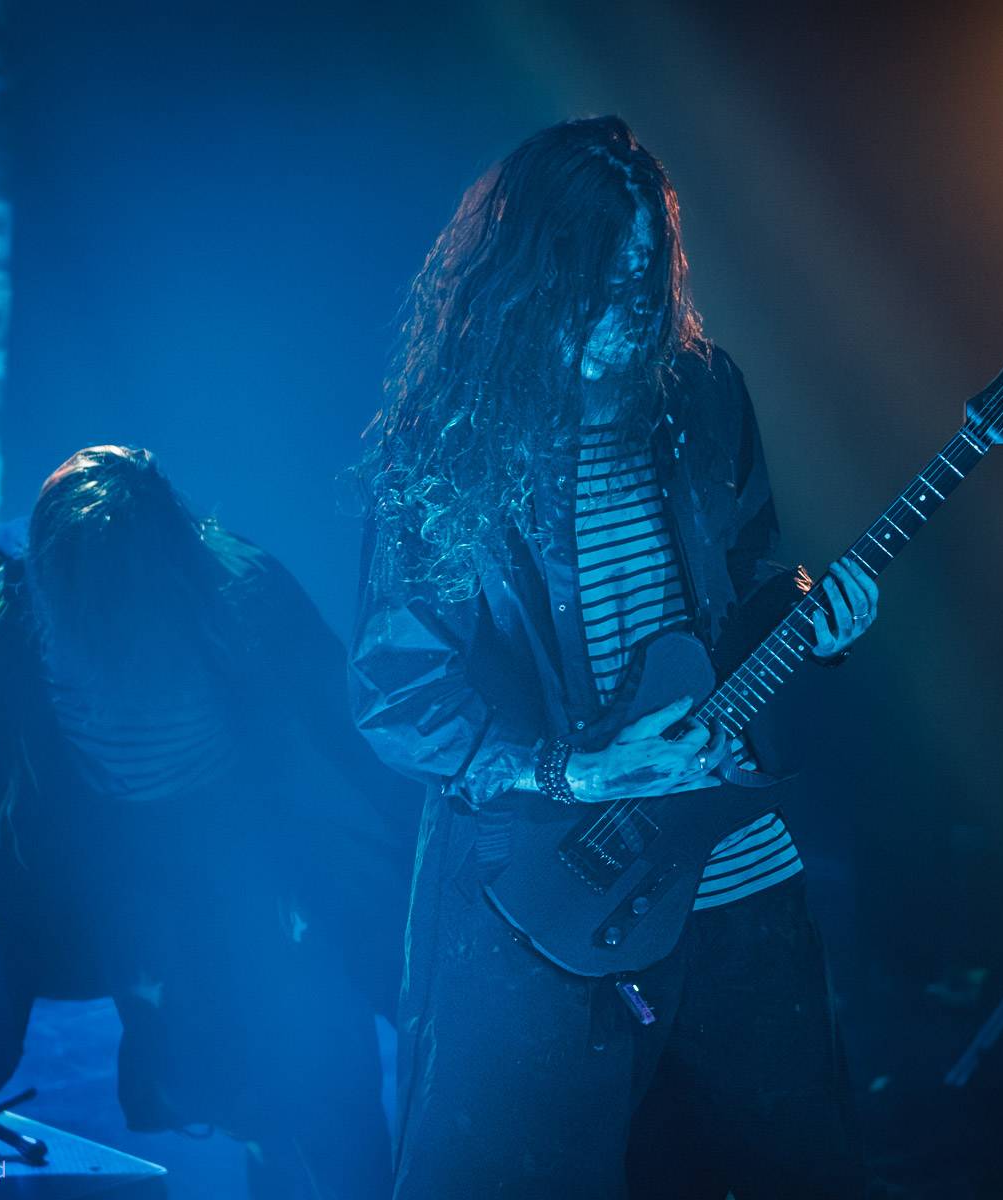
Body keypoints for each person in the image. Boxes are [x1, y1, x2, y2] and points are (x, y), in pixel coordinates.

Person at [352, 116, 877, 1199]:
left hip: (729, 854)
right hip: (551, 881)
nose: (627, 308)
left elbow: (753, 574)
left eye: (644, 275)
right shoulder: (452, 443)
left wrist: (812, 615)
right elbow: (398, 693)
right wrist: (577, 771)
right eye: (594, 278)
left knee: (792, 1165)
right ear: (526, 278)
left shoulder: (704, 393)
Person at [0, 444, 411, 1200]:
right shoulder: (14, 608)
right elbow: (4, 757)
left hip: (253, 856)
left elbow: (341, 727)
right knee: (232, 1082)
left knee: (326, 1077)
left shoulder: (239, 590)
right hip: (135, 872)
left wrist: (385, 856)